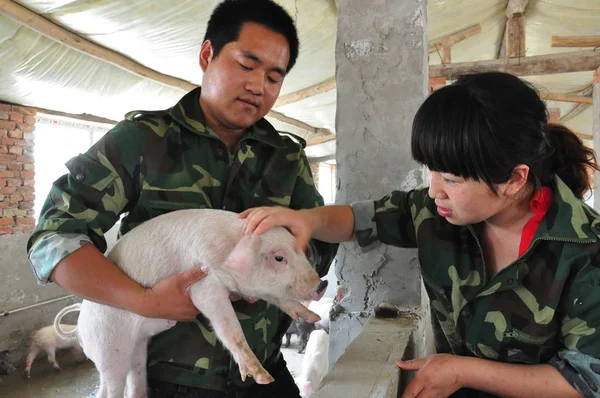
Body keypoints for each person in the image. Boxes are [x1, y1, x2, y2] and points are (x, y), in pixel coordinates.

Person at [26, 1, 338, 396]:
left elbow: (319, 246)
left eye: (274, 78)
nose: (259, 86)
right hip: (162, 379)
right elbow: (54, 239)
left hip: (263, 370)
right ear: (208, 55)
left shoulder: (287, 156)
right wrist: (144, 300)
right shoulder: (142, 141)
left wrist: (270, 266)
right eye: (246, 65)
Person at [241, 71, 600, 398]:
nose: (434, 191)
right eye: (433, 171)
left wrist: (463, 370)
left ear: (514, 180)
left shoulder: (586, 250)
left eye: (453, 180)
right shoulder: (438, 214)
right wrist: (306, 220)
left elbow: (584, 380)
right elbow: (358, 219)